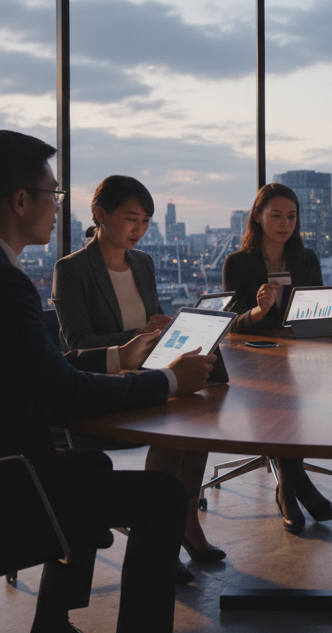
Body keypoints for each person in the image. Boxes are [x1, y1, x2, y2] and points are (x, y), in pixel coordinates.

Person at [0, 130, 218, 633]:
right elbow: (63, 395)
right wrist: (169, 381)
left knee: (92, 467)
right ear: (20, 201)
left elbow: (36, 372)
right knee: (163, 498)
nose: (59, 206)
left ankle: (52, 622)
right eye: (53, 194)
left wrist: (119, 358)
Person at [52, 175, 224, 563]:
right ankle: (161, 538)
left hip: (147, 373)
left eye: (146, 220)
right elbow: (76, 347)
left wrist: (170, 332)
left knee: (199, 412)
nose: (140, 230)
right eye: (132, 219)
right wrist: (139, 334)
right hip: (103, 384)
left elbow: (150, 331)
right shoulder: (73, 269)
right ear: (100, 214)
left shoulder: (143, 263)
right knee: (177, 422)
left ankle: (183, 521)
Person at [222, 183, 332, 533]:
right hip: (254, 357)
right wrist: (260, 311)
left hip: (299, 353)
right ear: (257, 217)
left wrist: (326, 312)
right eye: (275, 215)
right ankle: (293, 489)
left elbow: (314, 310)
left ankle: (289, 489)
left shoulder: (306, 259)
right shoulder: (238, 263)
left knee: (295, 396)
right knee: (283, 402)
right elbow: (233, 325)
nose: (284, 223)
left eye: (291, 216)